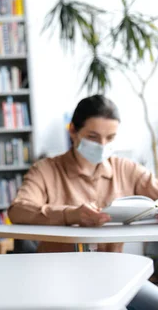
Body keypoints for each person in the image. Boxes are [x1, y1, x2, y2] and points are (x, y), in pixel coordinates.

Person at [8, 94, 158, 310]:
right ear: (73, 131)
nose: (103, 145)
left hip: (115, 278)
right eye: (93, 137)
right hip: (57, 279)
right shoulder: (45, 170)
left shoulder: (126, 169)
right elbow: (18, 210)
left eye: (110, 138)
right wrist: (70, 214)